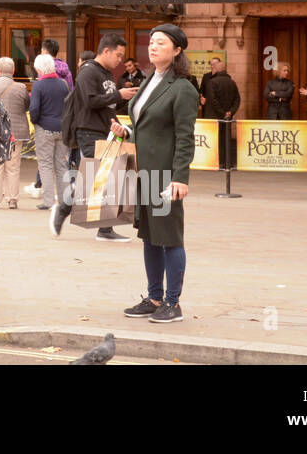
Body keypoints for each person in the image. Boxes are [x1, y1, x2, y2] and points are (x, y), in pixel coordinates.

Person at [118, 24, 199, 324]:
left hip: (164, 177)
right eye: (151, 42)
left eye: (161, 43)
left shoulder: (182, 88)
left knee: (170, 238)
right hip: (143, 173)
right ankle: (154, 297)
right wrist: (126, 130)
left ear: (177, 50)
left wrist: (180, 177)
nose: (153, 47)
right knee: (149, 237)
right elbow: (145, 125)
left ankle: (172, 303)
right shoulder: (149, 80)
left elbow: (184, 137)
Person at [51, 33, 138, 242]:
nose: (120, 60)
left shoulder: (107, 74)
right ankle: (65, 209)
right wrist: (119, 95)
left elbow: (106, 105)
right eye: (118, 55)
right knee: (99, 177)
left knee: (106, 177)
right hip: (88, 131)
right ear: (106, 51)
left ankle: (104, 228)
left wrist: (117, 119)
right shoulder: (88, 72)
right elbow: (90, 101)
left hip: (105, 131)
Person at [0, 56, 31, 210]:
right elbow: (26, 106)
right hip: (16, 130)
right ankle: (12, 199)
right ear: (13, 70)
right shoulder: (21, 87)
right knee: (13, 166)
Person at [27, 53, 68, 211]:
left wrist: (35, 121)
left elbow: (34, 108)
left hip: (44, 128)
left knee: (45, 164)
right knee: (61, 165)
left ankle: (48, 201)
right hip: (62, 127)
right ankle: (64, 201)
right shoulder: (63, 84)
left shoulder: (38, 85)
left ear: (38, 68)